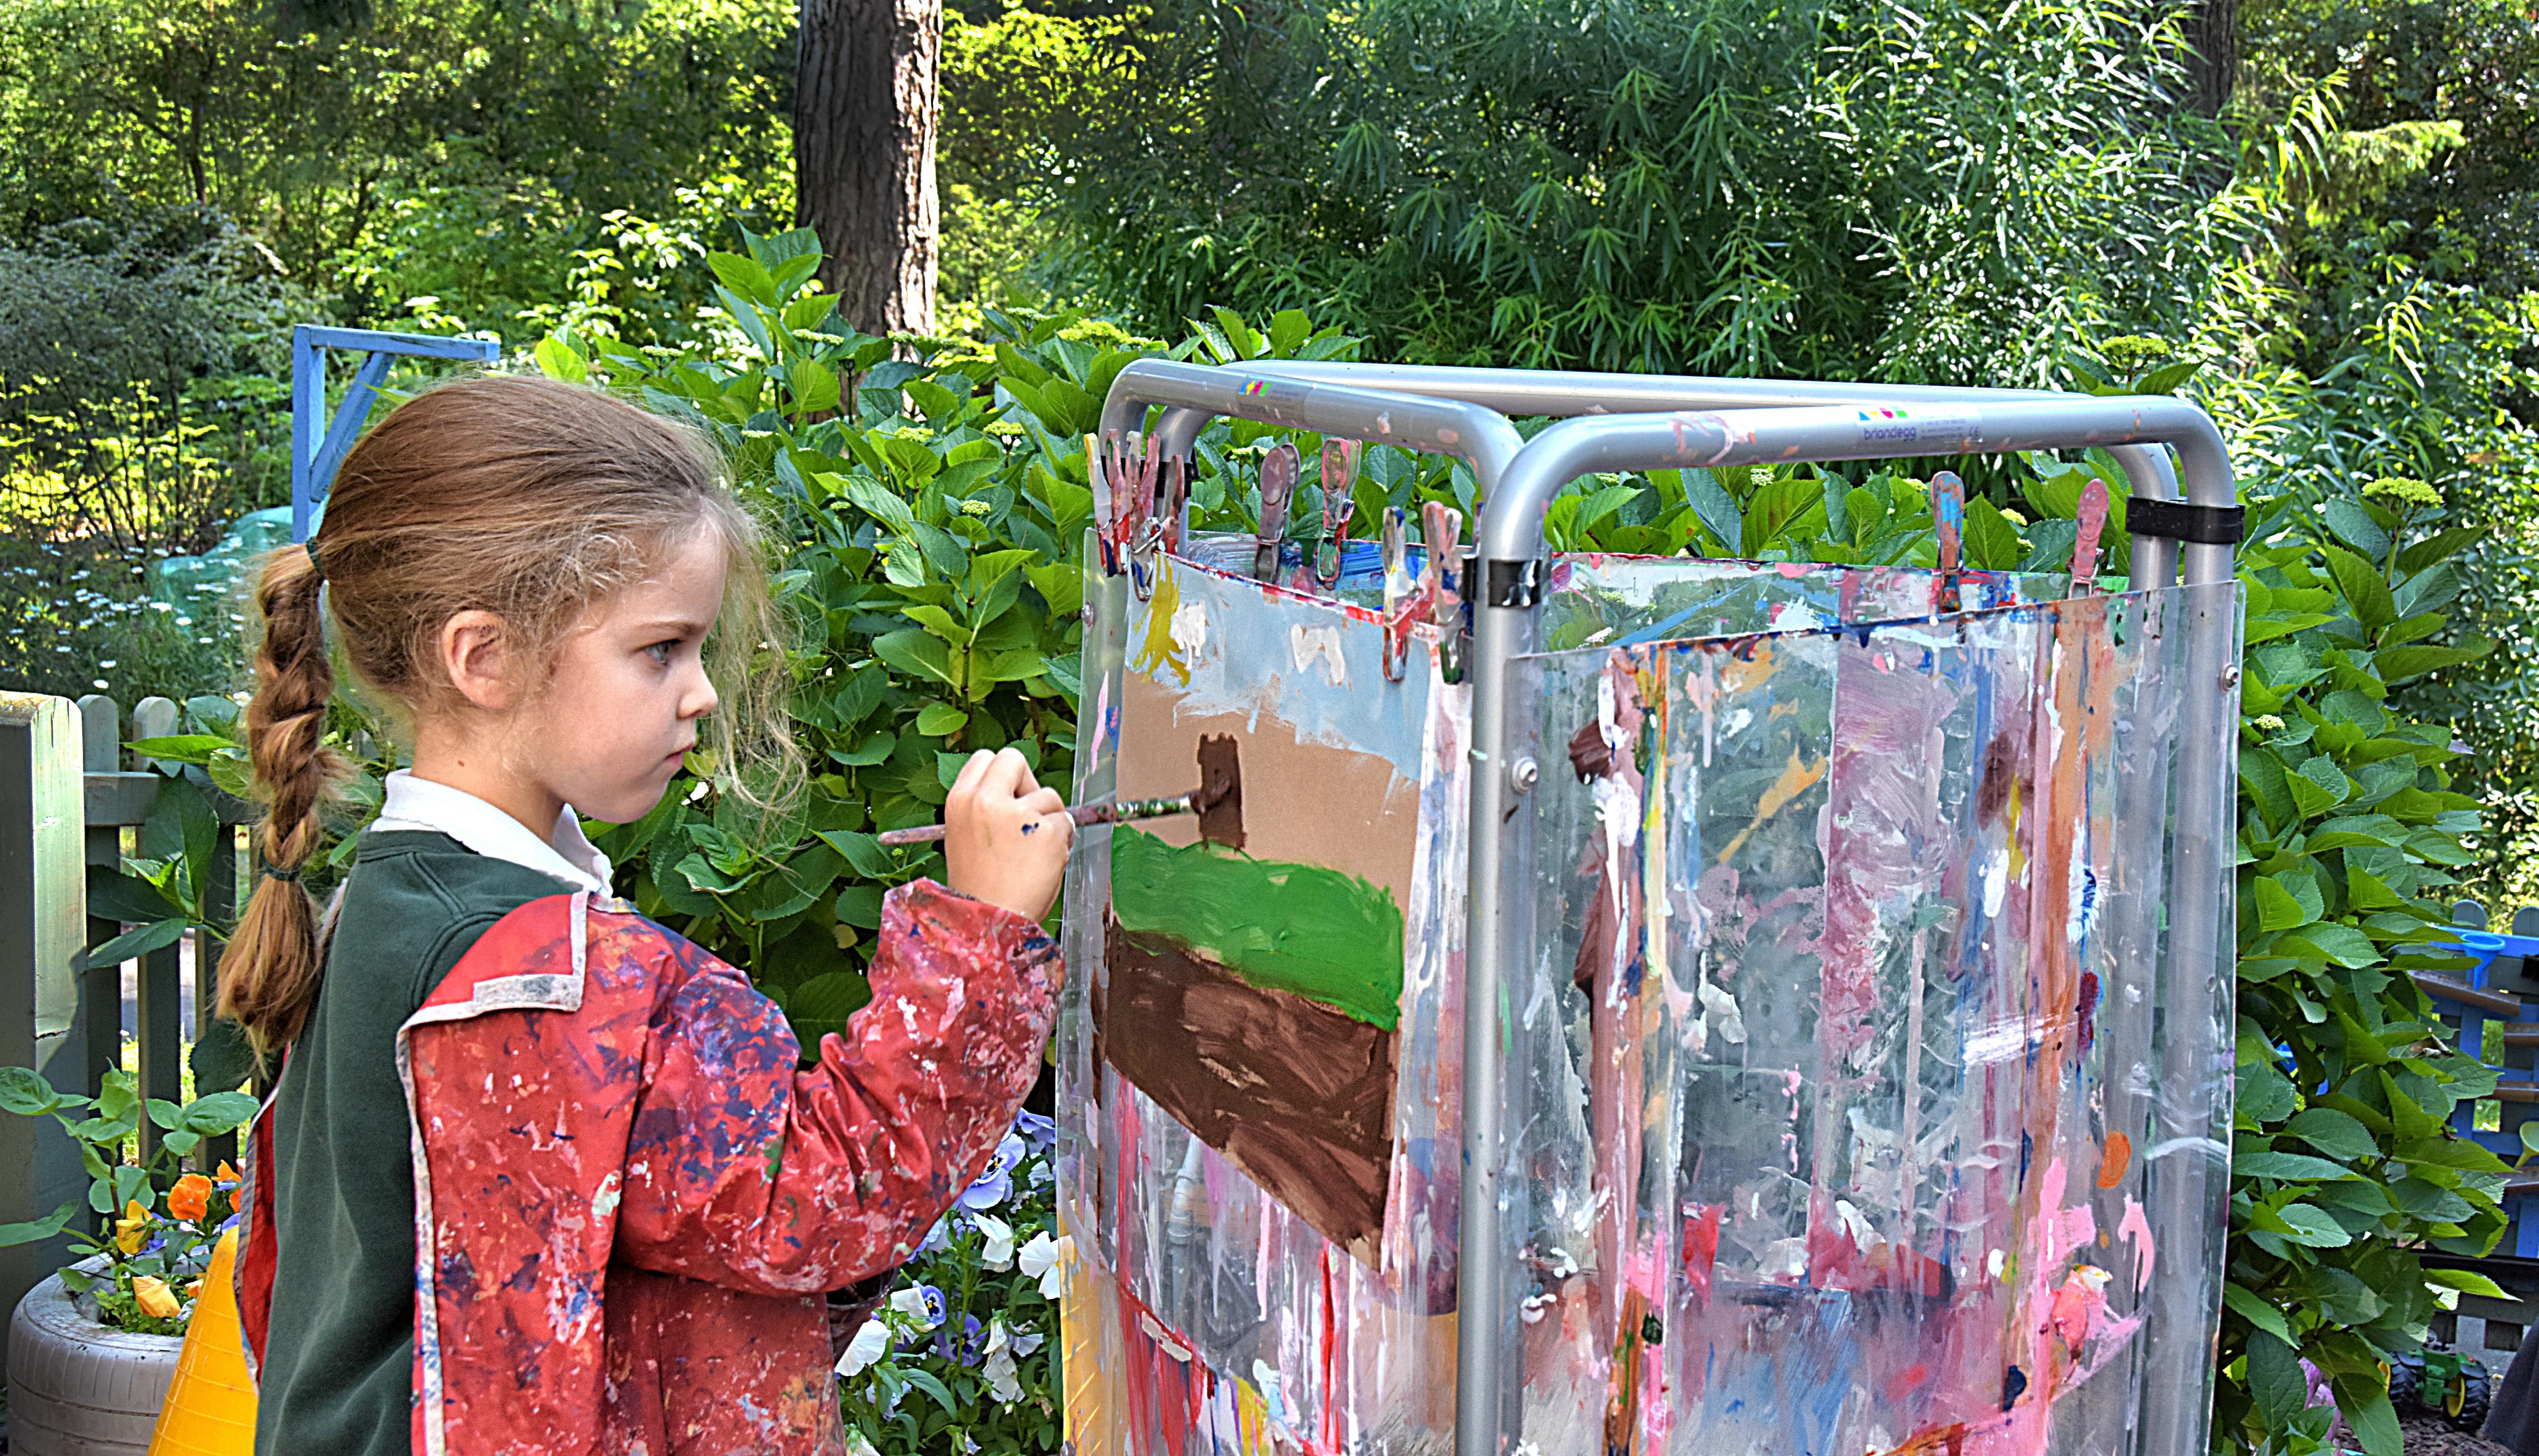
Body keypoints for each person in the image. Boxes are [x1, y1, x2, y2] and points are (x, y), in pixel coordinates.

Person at [215, 375, 1073, 1456]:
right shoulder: (552, 976)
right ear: (484, 659)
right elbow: (821, 1197)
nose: (700, 691)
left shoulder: (385, 909)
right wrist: (979, 936)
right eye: (661, 649)